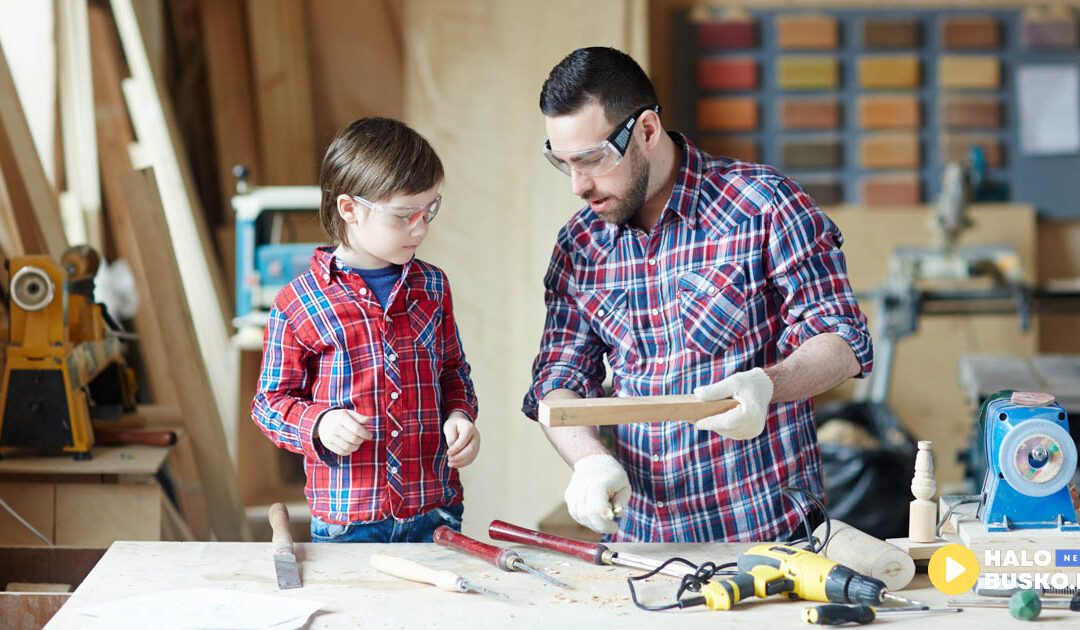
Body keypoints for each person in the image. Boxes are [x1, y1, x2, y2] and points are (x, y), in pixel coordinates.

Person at [522, 47, 873, 542]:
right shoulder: (580, 246)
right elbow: (558, 381)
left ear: (646, 130)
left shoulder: (764, 205)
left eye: (592, 159)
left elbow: (841, 339)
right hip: (642, 544)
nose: (579, 185)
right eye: (564, 164)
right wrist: (589, 461)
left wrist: (767, 384)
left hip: (770, 536)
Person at [253, 117, 479, 543]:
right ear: (349, 209)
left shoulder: (433, 287)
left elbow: (452, 370)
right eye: (404, 215)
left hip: (434, 511)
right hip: (349, 519)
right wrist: (319, 423)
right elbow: (269, 404)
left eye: (429, 210)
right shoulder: (297, 303)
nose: (422, 227)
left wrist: (460, 415)